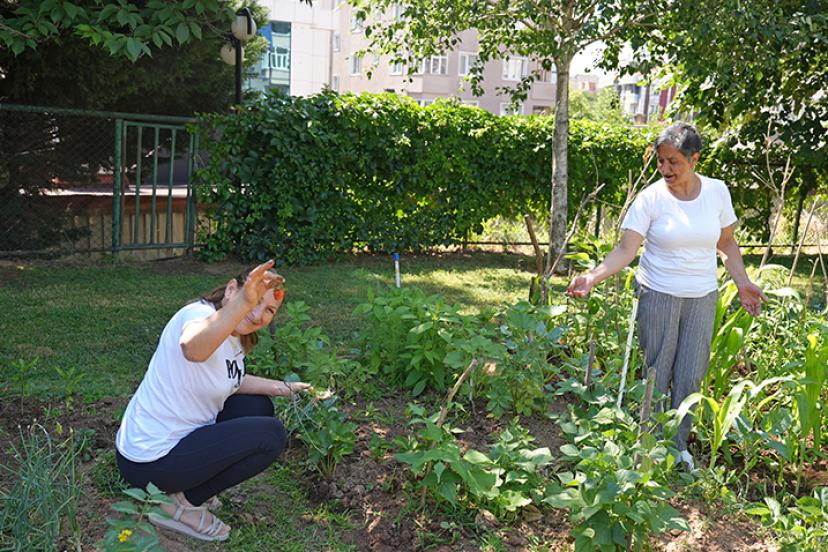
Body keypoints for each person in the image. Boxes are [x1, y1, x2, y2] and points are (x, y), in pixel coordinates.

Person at [567, 122, 767, 470]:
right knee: (657, 372)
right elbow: (626, 249)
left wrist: (742, 281)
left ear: (694, 159)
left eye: (673, 161)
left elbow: (726, 243)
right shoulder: (651, 198)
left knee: (691, 374)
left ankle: (678, 448)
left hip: (702, 297)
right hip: (658, 293)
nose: (665, 169)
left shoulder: (717, 192)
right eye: (661, 161)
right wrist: (593, 277)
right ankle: (650, 446)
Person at [115, 260, 310, 542]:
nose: (257, 314)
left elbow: (232, 379)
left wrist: (285, 388)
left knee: (259, 407)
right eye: (252, 300)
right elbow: (193, 348)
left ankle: (187, 485)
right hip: (149, 461)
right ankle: (182, 505)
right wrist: (243, 303)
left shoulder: (234, 337)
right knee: (271, 435)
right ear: (232, 289)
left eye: (268, 309)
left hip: (172, 443)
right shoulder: (198, 315)